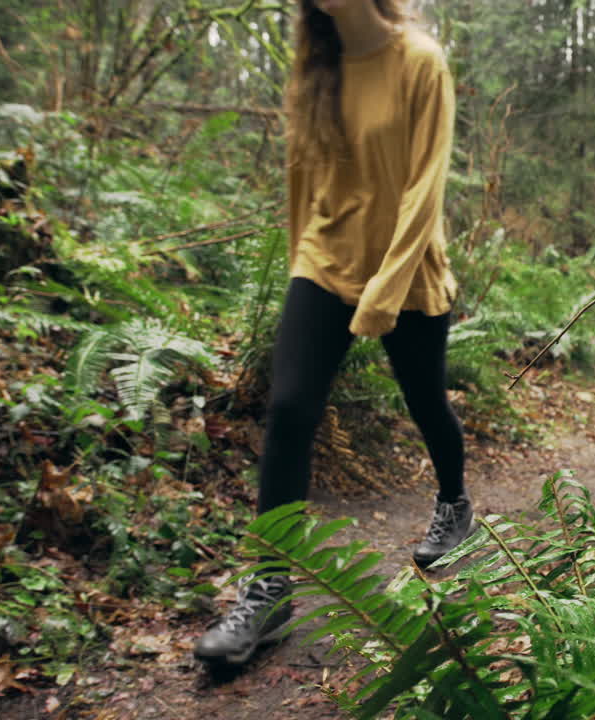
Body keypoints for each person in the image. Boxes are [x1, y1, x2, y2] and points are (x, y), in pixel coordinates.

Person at [194, 0, 471, 667]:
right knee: (289, 411)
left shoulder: (420, 62)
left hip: (408, 268)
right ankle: (269, 589)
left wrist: (388, 286)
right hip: (325, 261)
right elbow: (302, 183)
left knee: (426, 401)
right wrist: (299, 270)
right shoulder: (314, 70)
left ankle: (455, 504)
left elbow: (425, 190)